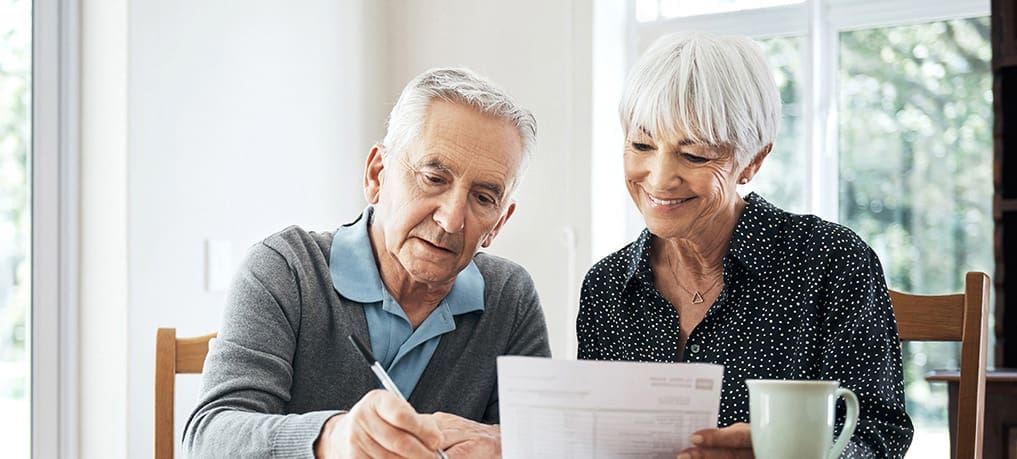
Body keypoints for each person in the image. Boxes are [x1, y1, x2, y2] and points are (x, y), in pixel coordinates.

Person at [183, 67, 551, 458]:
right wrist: (332, 439)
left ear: (499, 223)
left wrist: (509, 446)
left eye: (483, 198)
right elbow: (210, 439)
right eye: (433, 177)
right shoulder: (287, 269)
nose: (451, 219)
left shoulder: (509, 297)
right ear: (377, 175)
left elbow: (546, 442)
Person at [577, 31, 914, 458]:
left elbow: (878, 434)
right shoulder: (606, 287)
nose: (659, 179)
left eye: (695, 155)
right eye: (641, 145)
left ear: (752, 161)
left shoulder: (832, 260)